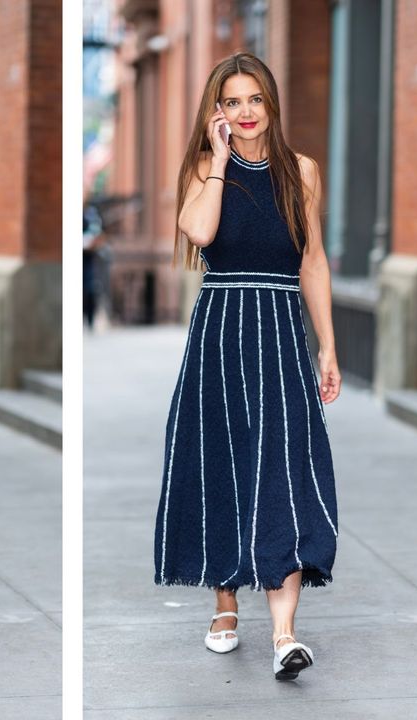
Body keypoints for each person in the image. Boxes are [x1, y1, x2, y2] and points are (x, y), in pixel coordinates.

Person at [153, 52, 341, 681]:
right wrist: (221, 160)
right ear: (216, 113)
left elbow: (312, 262)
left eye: (254, 99)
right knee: (223, 464)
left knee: (284, 469)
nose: (245, 112)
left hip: (283, 331)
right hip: (222, 332)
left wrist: (329, 345)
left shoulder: (302, 171)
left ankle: (285, 632)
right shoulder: (204, 170)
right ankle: (225, 602)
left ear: (272, 104)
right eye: (231, 102)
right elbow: (199, 235)